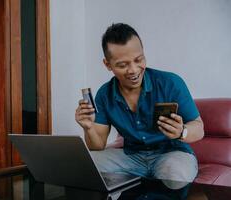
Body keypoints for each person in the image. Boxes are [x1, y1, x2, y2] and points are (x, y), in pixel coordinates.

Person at [75, 23, 204, 189]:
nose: (134, 70)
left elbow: (199, 128)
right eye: (122, 65)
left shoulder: (171, 82)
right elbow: (97, 146)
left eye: (138, 60)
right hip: (130, 156)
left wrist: (182, 131)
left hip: (172, 153)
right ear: (107, 64)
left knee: (174, 175)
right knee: (84, 167)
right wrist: (88, 127)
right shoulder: (104, 94)